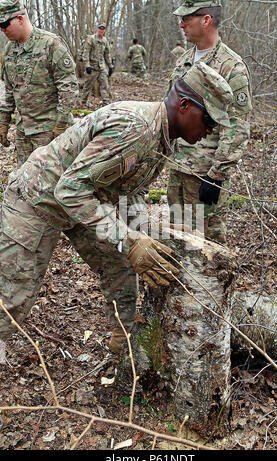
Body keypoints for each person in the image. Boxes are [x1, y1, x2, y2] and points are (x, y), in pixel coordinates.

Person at [0, 62, 233, 356]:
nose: (209, 132)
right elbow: (69, 189)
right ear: (185, 105)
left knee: (122, 267)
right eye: (209, 121)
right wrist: (126, 237)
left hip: (84, 202)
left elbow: (127, 191)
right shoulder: (135, 130)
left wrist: (147, 232)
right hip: (37, 200)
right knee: (12, 298)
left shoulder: (163, 137)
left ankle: (124, 348)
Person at [167, 0, 252, 244]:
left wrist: (217, 176)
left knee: (208, 246)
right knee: (176, 237)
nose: (181, 24)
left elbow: (237, 126)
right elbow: (170, 110)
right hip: (177, 169)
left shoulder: (231, 67)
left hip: (204, 173)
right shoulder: (183, 61)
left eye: (187, 18)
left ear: (206, 20)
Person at [0, 0, 78, 167]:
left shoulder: (50, 44)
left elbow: (68, 87)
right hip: (23, 133)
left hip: (50, 131)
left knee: (52, 185)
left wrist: (61, 126)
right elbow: (8, 90)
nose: (2, 29)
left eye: (5, 24)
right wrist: (3, 121)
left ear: (20, 19)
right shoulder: (9, 50)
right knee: (26, 181)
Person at [80, 22, 113, 107]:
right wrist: (87, 65)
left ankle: (106, 104)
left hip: (101, 68)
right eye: (100, 28)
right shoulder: (91, 39)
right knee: (87, 87)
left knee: (105, 86)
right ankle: (82, 103)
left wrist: (110, 66)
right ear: (97, 29)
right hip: (92, 68)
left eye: (103, 29)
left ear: (104, 30)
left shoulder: (105, 40)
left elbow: (107, 54)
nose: (101, 30)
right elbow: (85, 53)